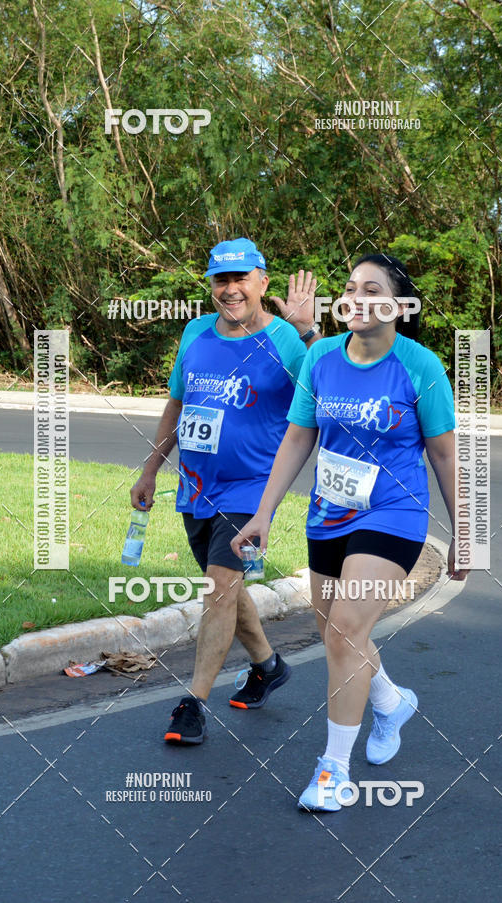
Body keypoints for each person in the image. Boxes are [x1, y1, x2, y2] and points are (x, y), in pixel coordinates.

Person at [232, 253, 469, 810]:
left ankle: (333, 770)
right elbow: (296, 441)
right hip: (329, 515)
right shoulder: (319, 357)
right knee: (340, 636)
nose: (355, 297)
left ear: (397, 304)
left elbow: (444, 454)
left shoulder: (421, 366)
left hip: (394, 513)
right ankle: (390, 701)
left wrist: (468, 530)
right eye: (349, 288)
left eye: (371, 289)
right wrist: (263, 514)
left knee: (343, 630)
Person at [130, 237, 321, 745]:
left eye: (241, 279)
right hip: (195, 488)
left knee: (218, 591)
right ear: (212, 285)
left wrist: (307, 332)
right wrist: (150, 470)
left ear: (262, 282)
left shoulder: (286, 341)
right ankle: (268, 665)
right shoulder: (195, 332)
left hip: (252, 492)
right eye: (221, 280)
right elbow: (177, 406)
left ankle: (192, 704)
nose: (231, 289)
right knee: (229, 593)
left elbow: (324, 389)